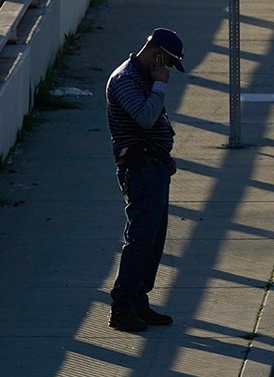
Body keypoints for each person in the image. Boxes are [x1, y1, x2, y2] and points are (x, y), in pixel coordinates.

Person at [105, 28, 184, 332]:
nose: (168, 71)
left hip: (155, 166)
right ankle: (122, 307)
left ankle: (138, 300)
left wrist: (165, 156)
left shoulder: (145, 79)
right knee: (140, 238)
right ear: (157, 55)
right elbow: (145, 117)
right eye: (168, 63)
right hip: (140, 169)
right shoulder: (125, 80)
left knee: (153, 239)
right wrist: (160, 86)